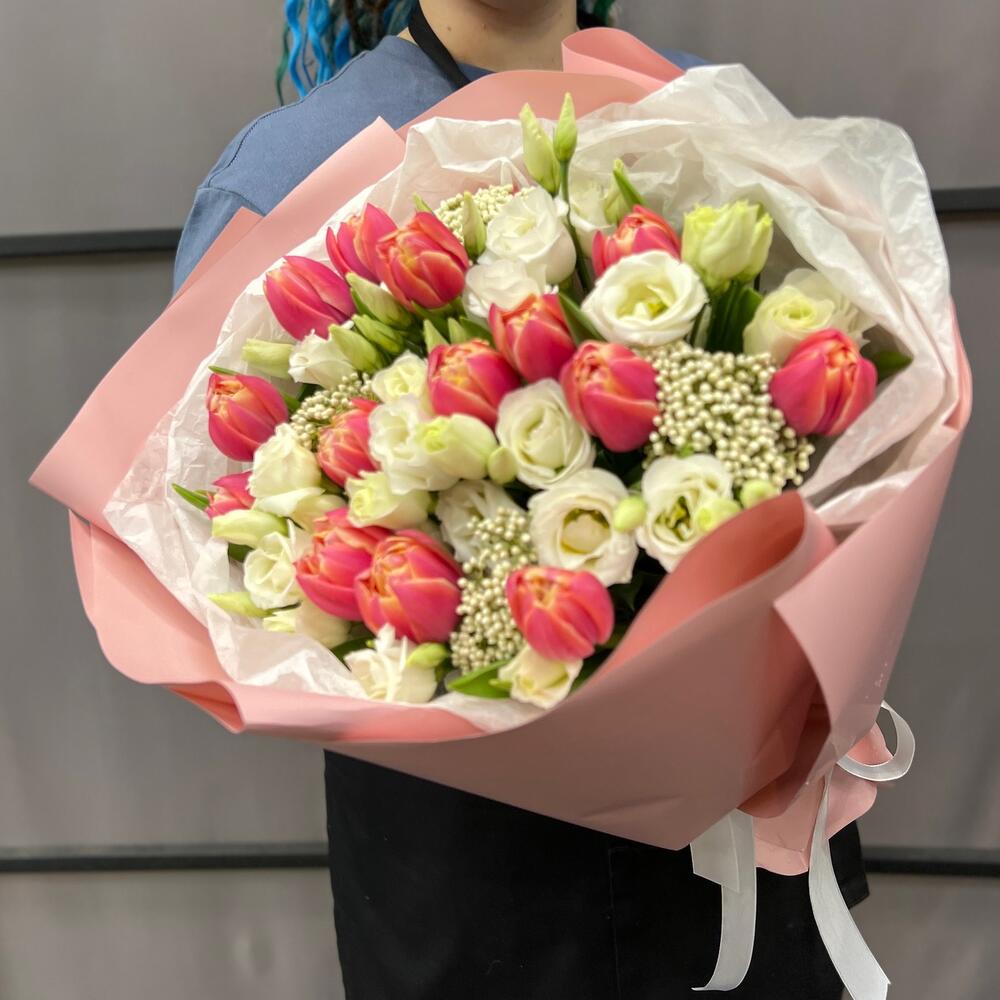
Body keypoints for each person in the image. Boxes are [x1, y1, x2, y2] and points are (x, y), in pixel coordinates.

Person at [174, 3, 868, 997]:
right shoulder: (292, 171)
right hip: (467, 870)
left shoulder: (708, 115)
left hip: (740, 821)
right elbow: (230, 524)